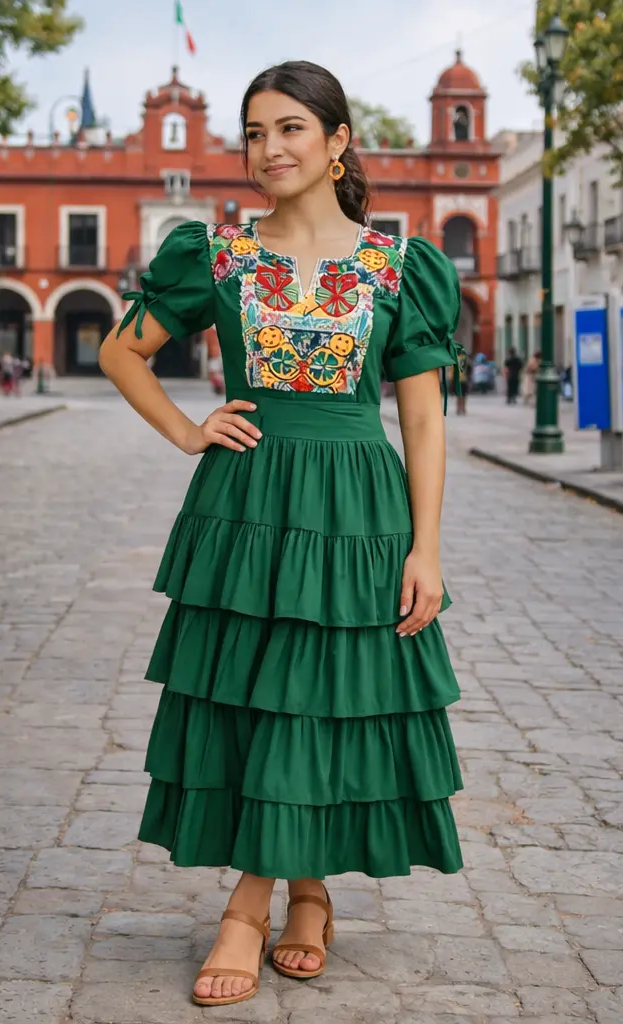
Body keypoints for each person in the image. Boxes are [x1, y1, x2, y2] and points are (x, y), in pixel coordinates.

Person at [99, 60, 463, 1009]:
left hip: (355, 512)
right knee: (258, 696)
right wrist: (189, 429)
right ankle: (294, 897)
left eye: (292, 128)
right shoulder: (215, 255)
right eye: (255, 132)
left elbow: (421, 419)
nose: (270, 149)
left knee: (319, 694)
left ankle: (260, 904)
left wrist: (426, 549)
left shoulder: (397, 268)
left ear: (339, 142)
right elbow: (120, 349)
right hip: (247, 507)